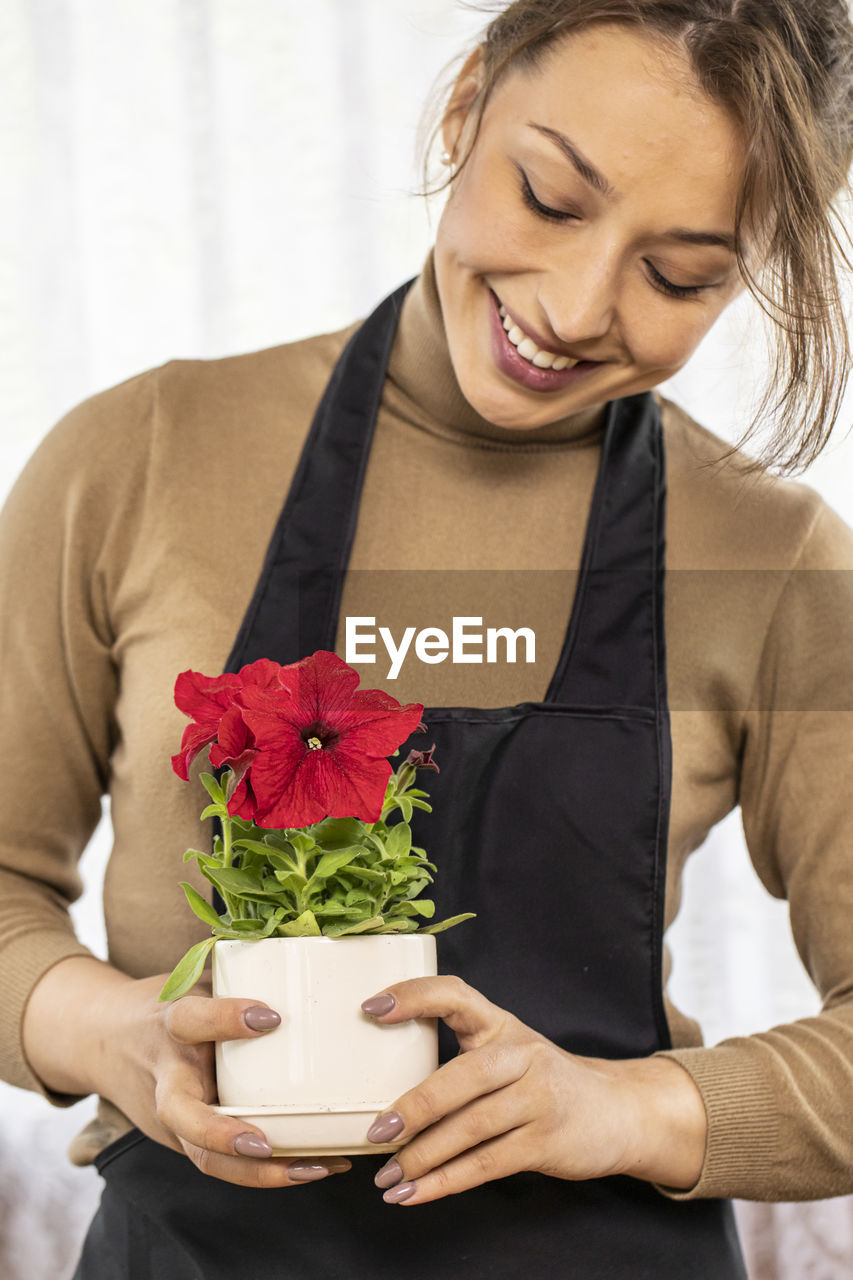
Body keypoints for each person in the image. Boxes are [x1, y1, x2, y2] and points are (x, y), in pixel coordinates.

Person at [2, 1, 853, 1276]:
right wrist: (115, 1031)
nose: (572, 308)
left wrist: (622, 1106)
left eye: (680, 274)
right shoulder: (142, 455)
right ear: (465, 105)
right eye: (551, 198)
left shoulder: (773, 558)